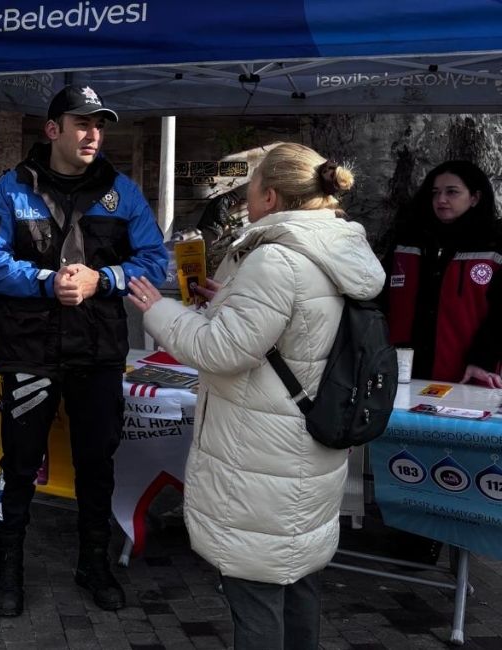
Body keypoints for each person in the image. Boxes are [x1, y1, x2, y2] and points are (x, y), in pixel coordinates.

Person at [128, 143, 385, 649]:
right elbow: (290, 330)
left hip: (262, 460)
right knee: (299, 581)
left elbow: (221, 349)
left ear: (270, 195)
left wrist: (158, 309)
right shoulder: (337, 249)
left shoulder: (277, 259)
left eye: (248, 188)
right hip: (307, 448)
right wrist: (227, 300)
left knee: (257, 594)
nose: (243, 198)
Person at [0, 85, 168, 617]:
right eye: (81, 123)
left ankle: (94, 564)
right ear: (52, 129)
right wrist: (45, 281)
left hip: (98, 353)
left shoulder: (122, 191)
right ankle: (7, 570)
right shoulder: (11, 189)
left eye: (99, 125)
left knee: (96, 464)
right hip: (31, 352)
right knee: (19, 465)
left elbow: (157, 262)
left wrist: (102, 279)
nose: (93, 134)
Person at [383, 160, 502, 565]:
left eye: (452, 192)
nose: (441, 200)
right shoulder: (410, 237)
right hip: (406, 368)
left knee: (452, 452)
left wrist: (483, 359)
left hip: (464, 370)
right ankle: (412, 532)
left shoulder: (495, 241)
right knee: (408, 447)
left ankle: (448, 537)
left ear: (475, 197)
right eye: (435, 192)